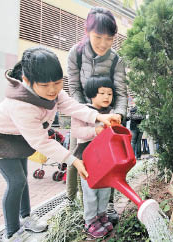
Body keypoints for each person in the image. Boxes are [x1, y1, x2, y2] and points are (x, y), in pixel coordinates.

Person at [0, 47, 120, 242]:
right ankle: (11, 236)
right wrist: (73, 160)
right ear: (27, 81)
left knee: (23, 180)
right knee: (16, 182)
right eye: (45, 85)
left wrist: (98, 116)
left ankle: (26, 218)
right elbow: (42, 142)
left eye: (58, 82)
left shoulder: (52, 90)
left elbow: (71, 106)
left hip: (19, 138)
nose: (53, 90)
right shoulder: (21, 105)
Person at [66, 7, 127, 222]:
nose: (103, 44)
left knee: (110, 161)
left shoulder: (116, 60)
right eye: (98, 37)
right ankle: (73, 204)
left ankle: (107, 206)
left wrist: (118, 113)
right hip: (82, 112)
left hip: (109, 118)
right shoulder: (76, 53)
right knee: (77, 157)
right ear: (87, 32)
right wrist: (86, 113)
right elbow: (73, 86)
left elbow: (121, 92)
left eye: (109, 39)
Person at [71, 75, 117, 238]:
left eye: (109, 93)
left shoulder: (110, 112)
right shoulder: (82, 110)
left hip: (104, 158)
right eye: (102, 93)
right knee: (90, 190)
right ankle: (90, 221)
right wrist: (94, 131)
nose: (107, 97)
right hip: (87, 158)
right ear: (91, 94)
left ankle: (101, 215)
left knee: (105, 188)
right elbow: (75, 132)